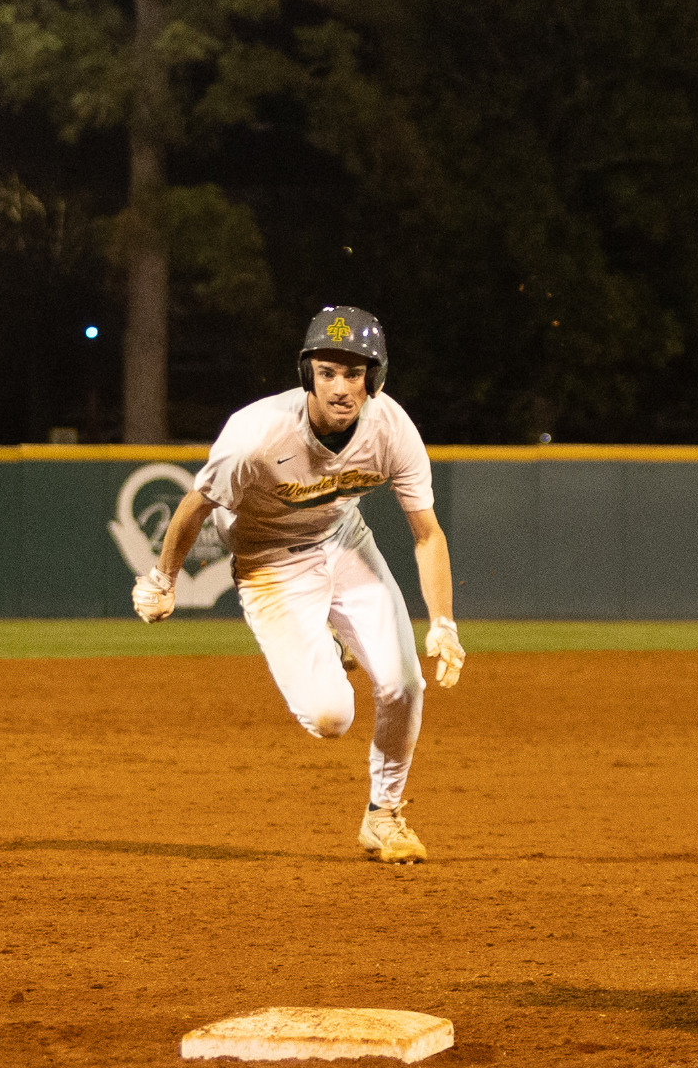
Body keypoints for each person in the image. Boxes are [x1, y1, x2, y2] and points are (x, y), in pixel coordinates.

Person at [132, 306, 463, 863]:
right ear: (308, 373)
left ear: (373, 379)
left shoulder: (391, 429)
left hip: (344, 541)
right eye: (328, 371)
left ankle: (383, 816)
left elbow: (427, 534)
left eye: (355, 373)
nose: (341, 386)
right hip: (268, 564)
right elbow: (195, 505)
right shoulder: (256, 434)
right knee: (332, 718)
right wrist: (163, 577)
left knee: (405, 683)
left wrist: (444, 622)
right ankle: (331, 643)